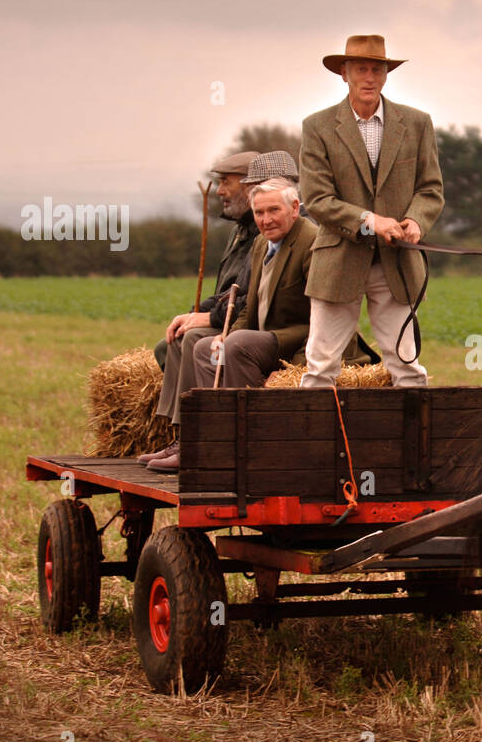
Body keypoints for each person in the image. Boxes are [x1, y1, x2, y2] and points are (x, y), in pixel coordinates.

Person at [146, 178, 372, 473]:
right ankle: (210, 441)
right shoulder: (261, 243)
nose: (266, 220)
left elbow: (328, 315)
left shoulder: (313, 243)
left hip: (305, 338)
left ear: (294, 208)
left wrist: (299, 368)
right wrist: (225, 335)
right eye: (259, 213)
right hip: (270, 336)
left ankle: (253, 444)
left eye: (273, 210)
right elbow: (251, 306)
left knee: (237, 347)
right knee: (205, 348)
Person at [298, 34, 443, 389]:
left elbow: (430, 189)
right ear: (344, 73)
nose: (369, 77)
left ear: (386, 74)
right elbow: (317, 199)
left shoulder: (417, 123)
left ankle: (413, 445)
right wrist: (369, 222)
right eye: (360, 69)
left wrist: (414, 222)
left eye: (376, 69)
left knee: (408, 370)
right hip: (339, 261)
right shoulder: (317, 127)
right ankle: (313, 443)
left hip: (396, 264)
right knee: (320, 370)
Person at [140, 151, 259, 467]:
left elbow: (253, 298)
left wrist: (211, 318)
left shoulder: (265, 230)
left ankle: (195, 440)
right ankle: (181, 435)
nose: (219, 191)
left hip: (254, 325)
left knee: (194, 341)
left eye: (225, 182)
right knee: (174, 341)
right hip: (233, 318)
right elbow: (225, 291)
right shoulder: (240, 231)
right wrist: (192, 312)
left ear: (249, 186)